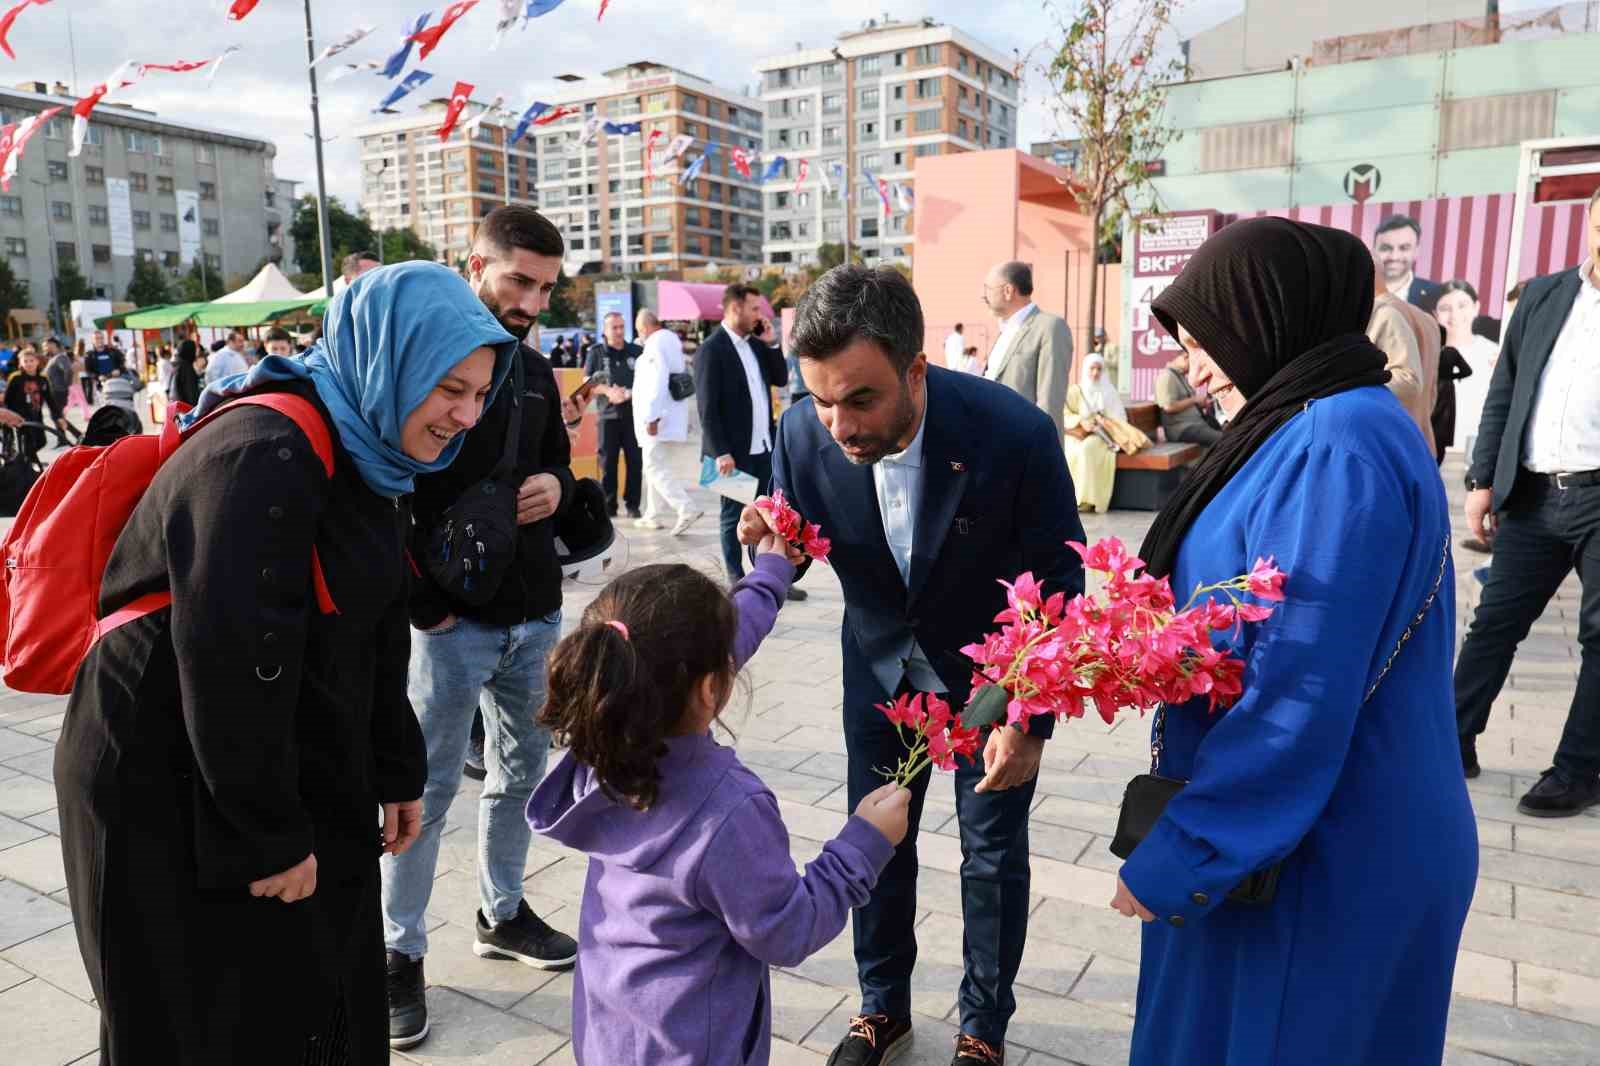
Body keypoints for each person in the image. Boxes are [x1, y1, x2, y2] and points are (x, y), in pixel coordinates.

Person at [54, 260, 518, 1066]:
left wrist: (395, 767)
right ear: (391, 356)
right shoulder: (265, 450)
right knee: (192, 1020)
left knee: (317, 999)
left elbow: (374, 624)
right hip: (161, 775)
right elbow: (228, 654)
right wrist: (266, 834)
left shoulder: (370, 454)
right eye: (450, 388)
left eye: (479, 393)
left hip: (261, 749)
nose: (466, 415)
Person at [1117, 217, 1474, 1066]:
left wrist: (1186, 850)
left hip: (1325, 851)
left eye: (1206, 340)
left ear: (1269, 318)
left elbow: (1298, 688)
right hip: (1293, 833)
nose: (1192, 366)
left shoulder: (1336, 444)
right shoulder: (1311, 423)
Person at [739, 266, 1086, 1066]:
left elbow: (1059, 587)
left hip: (987, 684)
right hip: (878, 672)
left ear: (916, 370)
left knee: (992, 855)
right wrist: (767, 541)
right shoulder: (800, 433)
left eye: (860, 399)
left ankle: (982, 1028)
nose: (837, 423)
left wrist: (1028, 720)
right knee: (876, 842)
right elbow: (791, 539)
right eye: (821, 398)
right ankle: (880, 1007)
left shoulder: (1013, 434)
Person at [528, 553, 909, 1066]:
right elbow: (786, 930)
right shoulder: (727, 811)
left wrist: (771, 574)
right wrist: (863, 844)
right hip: (696, 1049)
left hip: (609, 1034)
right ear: (712, 688)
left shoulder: (608, 746)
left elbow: (701, 653)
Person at [381, 206, 580, 1052]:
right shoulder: (423, 359)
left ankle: (500, 911)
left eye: (544, 286)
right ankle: (399, 951)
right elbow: (385, 489)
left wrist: (556, 489)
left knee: (520, 776)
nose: (532, 300)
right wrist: (427, 606)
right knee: (420, 791)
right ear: (475, 264)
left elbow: (564, 464)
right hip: (449, 624)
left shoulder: (535, 371)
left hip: (533, 614)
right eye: (518, 280)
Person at [1457, 187, 1600, 817]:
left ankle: (1576, 769)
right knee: (1495, 622)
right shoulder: (1544, 295)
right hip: (1533, 495)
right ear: (1590, 223)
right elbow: (1505, 390)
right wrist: (1481, 479)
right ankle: (1450, 740)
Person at [694, 283, 805, 599]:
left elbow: (781, 378)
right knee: (732, 518)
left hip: (763, 447)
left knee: (770, 515)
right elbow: (706, 408)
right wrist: (720, 451)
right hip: (729, 454)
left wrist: (771, 344)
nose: (760, 314)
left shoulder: (756, 344)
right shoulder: (711, 350)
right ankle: (735, 578)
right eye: (755, 308)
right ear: (735, 308)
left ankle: (773, 575)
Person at [981, 261, 1073, 437]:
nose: (984, 297)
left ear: (1008, 291)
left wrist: (1041, 455)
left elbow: (1049, 402)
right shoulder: (1005, 332)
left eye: (988, 289)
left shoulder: (1049, 327)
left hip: (1024, 449)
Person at [632, 308, 703, 535]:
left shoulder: (655, 344)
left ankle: (685, 507)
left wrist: (652, 416)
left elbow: (658, 380)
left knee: (653, 466)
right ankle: (652, 514)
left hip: (658, 418)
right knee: (655, 466)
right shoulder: (671, 340)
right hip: (670, 414)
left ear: (644, 328)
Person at [1063, 353, 1147, 514]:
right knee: (1071, 450)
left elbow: (1119, 417)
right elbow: (1064, 413)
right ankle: (1071, 498)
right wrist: (1081, 420)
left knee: (1087, 449)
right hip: (1078, 433)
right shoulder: (1075, 391)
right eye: (1092, 369)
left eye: (1099, 369)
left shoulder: (1108, 391)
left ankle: (1087, 499)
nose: (1095, 373)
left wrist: (1103, 420)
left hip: (1102, 436)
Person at [583, 311, 644, 518]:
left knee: (635, 461)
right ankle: (609, 506)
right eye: (614, 327)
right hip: (607, 417)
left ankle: (633, 505)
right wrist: (609, 391)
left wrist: (629, 393)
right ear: (605, 329)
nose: (618, 331)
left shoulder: (637, 351)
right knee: (608, 463)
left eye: (621, 327)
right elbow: (587, 383)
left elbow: (649, 381)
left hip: (634, 416)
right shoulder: (596, 352)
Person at [1366, 277, 1435, 452]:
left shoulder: (1381, 315)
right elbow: (1432, 390)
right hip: (1419, 442)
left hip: (1387, 448)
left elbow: (1409, 380)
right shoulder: (1426, 319)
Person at [1434, 279, 1499, 456]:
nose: (1454, 315)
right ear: (1435, 314)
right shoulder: (1429, 353)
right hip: (1435, 445)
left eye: (1462, 305)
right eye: (1445, 308)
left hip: (1477, 449)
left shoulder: (1493, 352)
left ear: (1476, 307)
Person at [1153, 349, 1222, 446]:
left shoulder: (1179, 375)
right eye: (1192, 363)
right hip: (1181, 429)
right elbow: (1168, 407)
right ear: (1185, 357)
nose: (1193, 368)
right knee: (1222, 440)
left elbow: (1188, 402)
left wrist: (1200, 403)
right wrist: (1194, 400)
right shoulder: (1167, 376)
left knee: (1228, 435)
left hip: (1196, 425)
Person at [1373, 214, 1441, 314]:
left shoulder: (1436, 294)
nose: (1394, 257)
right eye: (1386, 248)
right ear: (1374, 250)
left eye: (1404, 248)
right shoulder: (1353, 290)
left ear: (1416, 251)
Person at [5, 345, 50, 455]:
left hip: (36, 415)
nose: (29, 363)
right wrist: (9, 417)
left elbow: (50, 399)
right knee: (26, 444)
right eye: (25, 361)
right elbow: (8, 399)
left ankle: (29, 461)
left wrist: (59, 417)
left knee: (41, 441)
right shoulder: (16, 378)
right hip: (19, 417)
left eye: (31, 360)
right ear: (21, 363)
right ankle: (26, 465)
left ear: (37, 362)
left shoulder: (43, 379)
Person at [42, 336, 81, 443]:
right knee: (57, 416)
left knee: (56, 416)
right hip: (54, 391)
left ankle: (77, 435)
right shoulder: (53, 358)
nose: (44, 348)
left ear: (53, 345)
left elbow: (68, 370)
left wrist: (65, 385)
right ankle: (63, 438)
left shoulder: (60, 357)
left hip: (59, 391)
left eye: (46, 346)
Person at [169, 339, 203, 407]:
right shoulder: (186, 367)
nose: (196, 353)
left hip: (179, 408)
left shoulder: (177, 364)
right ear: (189, 351)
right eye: (194, 349)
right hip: (188, 409)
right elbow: (191, 393)